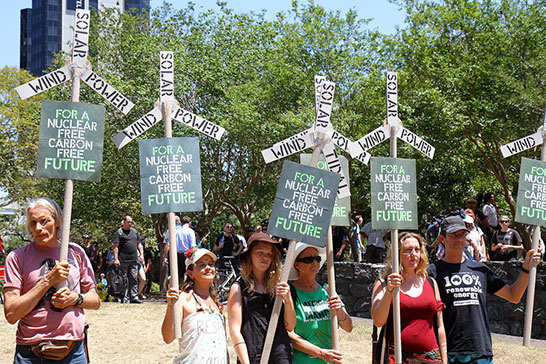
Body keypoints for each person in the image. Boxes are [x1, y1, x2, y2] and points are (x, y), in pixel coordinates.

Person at [428, 215, 541, 363]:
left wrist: (526, 267)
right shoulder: (432, 272)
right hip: (449, 352)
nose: (459, 239)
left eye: (462, 234)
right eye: (454, 235)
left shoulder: (480, 269)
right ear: (442, 239)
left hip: (481, 351)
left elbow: (514, 296)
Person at [3, 197, 100, 364]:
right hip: (32, 353)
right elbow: (11, 314)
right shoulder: (17, 257)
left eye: (44, 221)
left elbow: (95, 300)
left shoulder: (75, 252)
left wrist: (75, 299)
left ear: (58, 222)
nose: (38, 228)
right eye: (33, 223)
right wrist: (47, 280)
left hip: (73, 352)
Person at [372, 232, 447, 364]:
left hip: (430, 358)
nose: (414, 254)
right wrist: (389, 291)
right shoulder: (383, 284)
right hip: (396, 357)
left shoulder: (431, 283)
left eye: (417, 250)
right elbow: (378, 321)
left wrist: (444, 359)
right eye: (408, 250)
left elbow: (440, 325)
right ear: (397, 254)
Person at [227, 232, 296, 364]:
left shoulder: (279, 287)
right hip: (252, 356)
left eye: (269, 254)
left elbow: (290, 326)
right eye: (260, 252)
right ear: (249, 255)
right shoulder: (239, 288)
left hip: (281, 355)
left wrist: (287, 300)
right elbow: (235, 331)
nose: (265, 257)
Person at [288, 242, 353, 363]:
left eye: (317, 259)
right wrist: (321, 353)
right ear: (297, 264)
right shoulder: (289, 294)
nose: (315, 263)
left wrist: (339, 311)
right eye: (308, 259)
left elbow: (348, 327)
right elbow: (288, 335)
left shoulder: (328, 290)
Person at [161, 248, 228, 363]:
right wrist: (171, 307)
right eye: (201, 265)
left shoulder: (217, 304)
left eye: (210, 264)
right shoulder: (183, 299)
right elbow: (168, 337)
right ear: (191, 273)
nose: (208, 267)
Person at [112, 215, 143, 304]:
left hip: (133, 260)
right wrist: (116, 259)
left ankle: (134, 297)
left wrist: (141, 255)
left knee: (133, 279)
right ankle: (124, 297)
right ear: (124, 222)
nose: (130, 224)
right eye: (128, 222)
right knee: (124, 279)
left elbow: (139, 244)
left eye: (131, 222)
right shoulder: (119, 232)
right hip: (123, 260)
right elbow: (115, 246)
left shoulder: (135, 232)